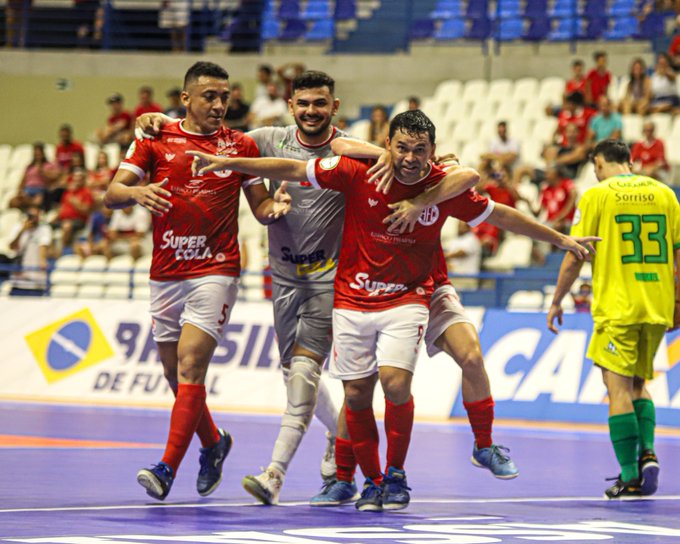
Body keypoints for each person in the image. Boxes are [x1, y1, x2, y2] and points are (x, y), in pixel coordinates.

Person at [187, 110, 596, 512]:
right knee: (357, 391)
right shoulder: (361, 169)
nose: (410, 157)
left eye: (420, 150)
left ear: (433, 152)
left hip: (418, 291)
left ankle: (451, 455)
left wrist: (559, 238)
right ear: (387, 146)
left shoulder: (445, 183)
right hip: (355, 296)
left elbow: (487, 199)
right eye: (401, 148)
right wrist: (228, 163)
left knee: (419, 374)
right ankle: (352, 478)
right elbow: (295, 166)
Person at [136, 70, 356, 507]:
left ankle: (275, 474)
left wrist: (433, 162)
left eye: (321, 103)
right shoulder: (264, 139)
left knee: (301, 375)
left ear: (335, 106)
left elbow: (400, 161)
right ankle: (336, 436)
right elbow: (209, 135)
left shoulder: (349, 150)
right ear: (291, 107)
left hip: (329, 280)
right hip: (285, 280)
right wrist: (155, 118)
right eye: (304, 104)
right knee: (291, 373)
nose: (312, 111)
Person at [103, 61, 291, 502]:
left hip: (216, 268)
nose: (219, 104)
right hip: (166, 272)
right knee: (173, 374)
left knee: (190, 366)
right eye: (209, 96)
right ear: (185, 99)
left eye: (225, 96)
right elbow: (112, 194)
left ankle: (167, 467)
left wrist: (276, 208)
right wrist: (134, 193)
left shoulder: (239, 145)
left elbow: (260, 207)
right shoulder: (155, 139)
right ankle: (214, 443)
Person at [547, 139, 680, 499]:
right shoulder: (666, 194)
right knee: (639, 382)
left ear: (599, 163)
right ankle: (648, 453)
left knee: (617, 389)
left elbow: (575, 255)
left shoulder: (595, 195)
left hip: (618, 308)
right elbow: (679, 251)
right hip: (657, 304)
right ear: (631, 161)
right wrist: (678, 299)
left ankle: (630, 474)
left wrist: (557, 300)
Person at [8, 205, 52, 296]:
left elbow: (43, 245)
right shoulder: (18, 227)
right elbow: (12, 247)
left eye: (36, 216)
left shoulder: (44, 229)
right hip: (19, 277)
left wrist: (42, 260)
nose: (34, 219)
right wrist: (22, 231)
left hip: (37, 279)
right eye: (31, 216)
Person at [9, 142, 61, 210]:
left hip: (41, 190)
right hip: (28, 190)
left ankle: (30, 205)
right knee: (13, 202)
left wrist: (42, 171)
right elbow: (23, 181)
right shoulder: (29, 167)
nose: (38, 155)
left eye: (39, 153)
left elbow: (54, 178)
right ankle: (28, 203)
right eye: (36, 153)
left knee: (38, 201)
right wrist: (20, 191)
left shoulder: (49, 165)